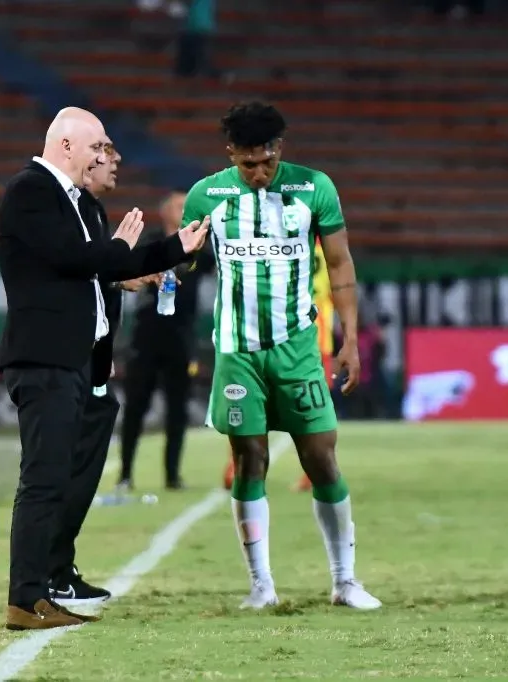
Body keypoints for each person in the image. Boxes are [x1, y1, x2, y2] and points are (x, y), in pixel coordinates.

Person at [0, 106, 209, 630]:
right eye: (98, 146)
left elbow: (109, 264)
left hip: (72, 361)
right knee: (43, 481)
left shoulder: (72, 202)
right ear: (67, 146)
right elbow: (78, 260)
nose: (105, 155)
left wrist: (172, 249)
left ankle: (48, 582)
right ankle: (26, 598)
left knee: (61, 478)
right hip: (43, 358)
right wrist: (117, 249)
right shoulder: (31, 190)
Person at [185, 100, 381, 610]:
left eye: (267, 160)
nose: (259, 172)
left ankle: (345, 581)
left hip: (297, 346)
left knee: (322, 457)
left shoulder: (314, 188)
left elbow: (340, 266)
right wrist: (151, 271)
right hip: (236, 352)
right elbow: (180, 263)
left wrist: (350, 340)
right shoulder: (206, 195)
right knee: (250, 458)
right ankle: (262, 586)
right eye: (248, 163)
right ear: (231, 155)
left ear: (281, 149)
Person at [45, 142, 156, 606]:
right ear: (83, 163)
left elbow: (94, 277)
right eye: (105, 152)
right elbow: (75, 271)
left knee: (82, 472)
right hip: (70, 360)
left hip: (93, 359)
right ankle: (50, 572)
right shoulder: (68, 210)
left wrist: (125, 274)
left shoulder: (90, 210)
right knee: (63, 472)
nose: (115, 160)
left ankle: (59, 567)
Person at [118, 190, 213, 492]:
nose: (183, 209)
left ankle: (172, 475)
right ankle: (125, 473)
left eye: (187, 205)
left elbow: (218, 262)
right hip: (147, 335)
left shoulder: (199, 246)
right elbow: (129, 268)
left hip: (182, 337)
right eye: (177, 205)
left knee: (177, 409)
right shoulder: (151, 242)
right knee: (135, 406)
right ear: (164, 211)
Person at [221, 236, 332, 493]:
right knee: (308, 409)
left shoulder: (271, 241)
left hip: (269, 332)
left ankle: (236, 465)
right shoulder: (326, 249)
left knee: (250, 400)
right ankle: (314, 470)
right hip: (313, 338)